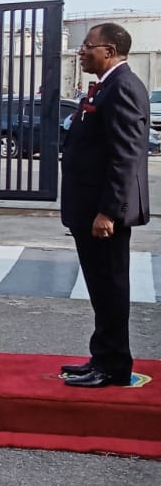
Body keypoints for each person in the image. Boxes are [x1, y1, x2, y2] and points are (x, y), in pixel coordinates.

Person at [60, 22, 150, 388]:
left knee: (111, 287)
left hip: (104, 213)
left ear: (109, 51)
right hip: (90, 209)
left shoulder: (123, 87)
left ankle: (113, 367)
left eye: (88, 46)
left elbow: (125, 156)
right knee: (101, 288)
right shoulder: (104, 87)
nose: (82, 51)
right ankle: (102, 357)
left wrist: (108, 211)